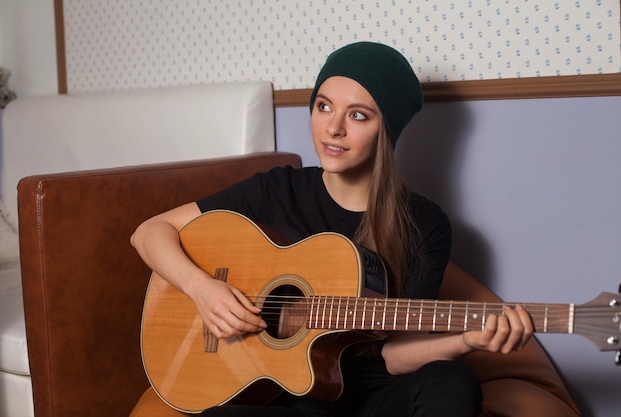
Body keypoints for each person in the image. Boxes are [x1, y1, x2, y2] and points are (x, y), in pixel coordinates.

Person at [131, 42, 533, 417]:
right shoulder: (277, 189)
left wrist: (467, 341)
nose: (333, 128)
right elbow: (149, 232)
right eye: (323, 107)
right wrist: (204, 291)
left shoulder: (424, 224)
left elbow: (395, 355)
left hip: (374, 393)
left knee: (453, 381)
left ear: (386, 130)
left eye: (358, 115)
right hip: (284, 392)